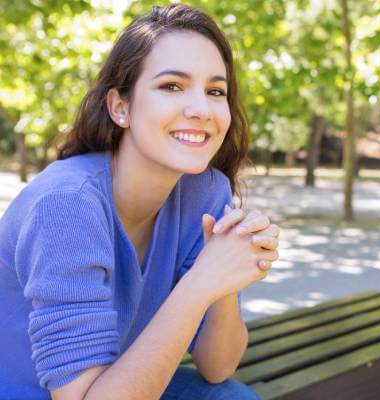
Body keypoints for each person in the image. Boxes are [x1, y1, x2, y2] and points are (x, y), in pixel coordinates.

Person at [0, 4, 280, 399]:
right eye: (172, 86)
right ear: (120, 107)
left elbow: (218, 367)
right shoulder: (65, 205)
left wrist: (227, 274)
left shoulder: (205, 191)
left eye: (215, 91)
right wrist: (200, 283)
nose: (201, 109)